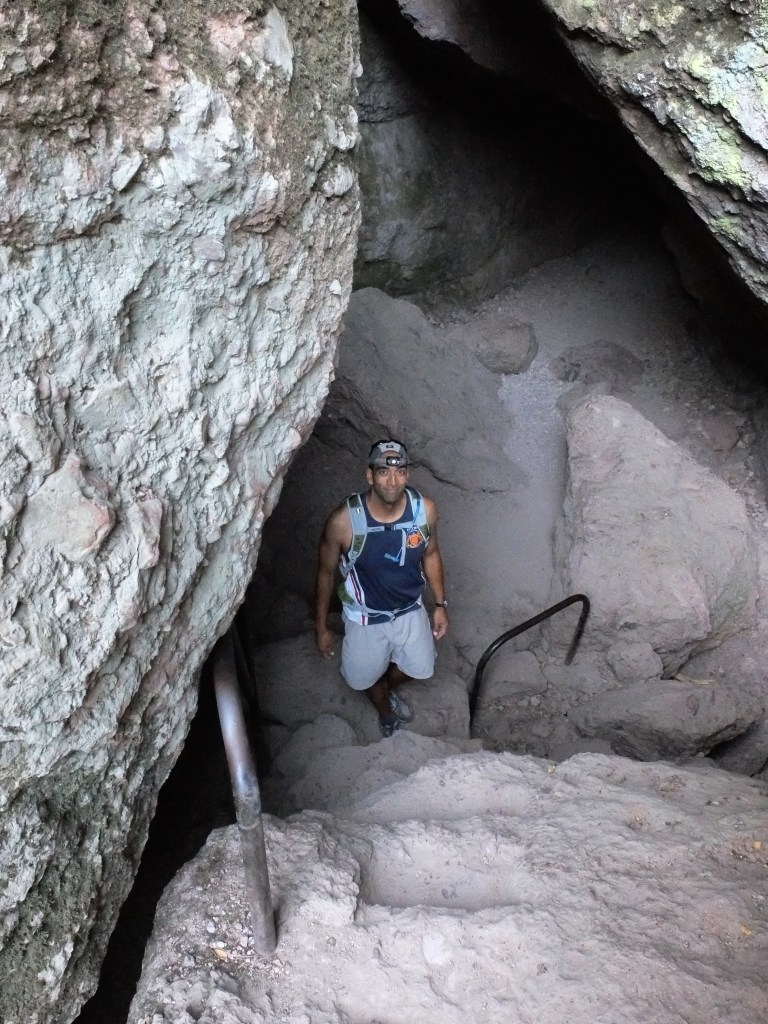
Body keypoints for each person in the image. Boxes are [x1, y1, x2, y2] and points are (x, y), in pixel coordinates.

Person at [314, 439, 449, 737]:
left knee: (421, 667)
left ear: (407, 474)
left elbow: (431, 554)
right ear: (369, 475)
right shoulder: (343, 522)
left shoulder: (423, 511)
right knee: (361, 679)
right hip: (366, 616)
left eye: (400, 471)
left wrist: (440, 605)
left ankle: (386, 685)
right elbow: (325, 574)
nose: (393, 480)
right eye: (383, 472)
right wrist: (320, 627)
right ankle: (386, 713)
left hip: (409, 609)